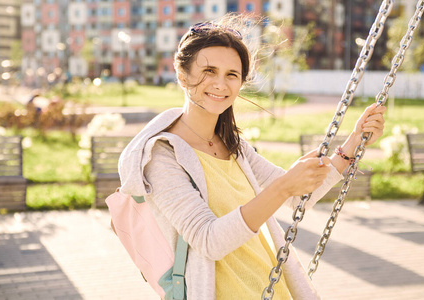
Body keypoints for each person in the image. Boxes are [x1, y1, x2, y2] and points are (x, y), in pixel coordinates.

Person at [118, 14, 386, 300]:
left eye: (231, 75)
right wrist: (283, 186)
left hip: (272, 289)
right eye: (209, 71)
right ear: (182, 74)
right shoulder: (161, 155)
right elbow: (209, 240)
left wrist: (353, 144)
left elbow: (298, 197)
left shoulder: (235, 147)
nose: (221, 84)